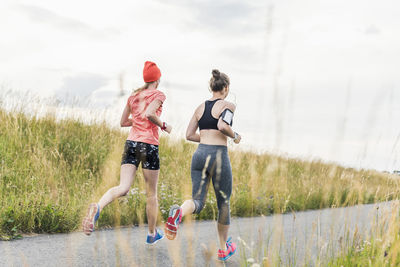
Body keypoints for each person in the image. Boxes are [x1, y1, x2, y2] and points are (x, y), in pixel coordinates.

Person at [82, 61, 172, 245]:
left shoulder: (134, 96)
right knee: (151, 194)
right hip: (149, 146)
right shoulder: (159, 94)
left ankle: (98, 207)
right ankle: (152, 233)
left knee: (123, 187)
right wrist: (163, 125)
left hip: (131, 144)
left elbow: (123, 122)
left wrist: (138, 121)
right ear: (157, 79)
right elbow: (149, 113)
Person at [164, 69, 241, 261]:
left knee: (197, 201)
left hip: (199, 154)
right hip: (218, 156)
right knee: (223, 202)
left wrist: (206, 137)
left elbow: (189, 135)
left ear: (211, 87)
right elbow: (223, 126)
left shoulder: (200, 108)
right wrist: (236, 136)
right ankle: (223, 248)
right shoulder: (228, 105)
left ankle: (179, 212)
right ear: (226, 88)